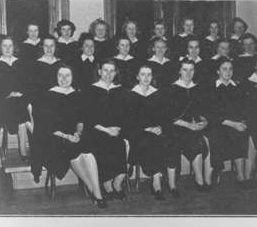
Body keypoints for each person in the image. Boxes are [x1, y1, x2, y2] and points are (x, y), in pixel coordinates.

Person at [38, 65, 107, 208]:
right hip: (55, 136)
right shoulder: (48, 95)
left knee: (87, 152)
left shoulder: (78, 94)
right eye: (60, 75)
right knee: (73, 149)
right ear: (55, 77)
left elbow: (81, 119)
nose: (63, 79)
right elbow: (46, 124)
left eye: (67, 75)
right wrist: (67, 136)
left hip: (75, 133)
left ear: (73, 77)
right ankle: (94, 190)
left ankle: (95, 190)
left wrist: (78, 132)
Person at [83, 59, 128, 201]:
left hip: (116, 129)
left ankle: (117, 183)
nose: (108, 74)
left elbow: (124, 114)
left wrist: (117, 128)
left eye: (112, 71)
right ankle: (107, 185)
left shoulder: (119, 90)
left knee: (122, 143)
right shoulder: (90, 90)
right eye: (105, 70)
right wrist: (107, 130)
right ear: (99, 71)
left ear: (115, 73)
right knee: (104, 144)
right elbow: (88, 117)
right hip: (97, 129)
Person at [165, 59, 211, 197]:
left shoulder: (197, 88)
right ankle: (172, 185)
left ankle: (199, 180)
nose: (188, 73)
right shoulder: (171, 88)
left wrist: (204, 121)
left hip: (193, 127)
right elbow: (169, 116)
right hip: (175, 126)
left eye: (191, 70)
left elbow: (202, 110)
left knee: (197, 140)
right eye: (185, 69)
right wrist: (189, 125)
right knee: (172, 142)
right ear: (179, 71)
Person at [0, 35, 31, 161]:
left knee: (26, 106)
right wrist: (8, 94)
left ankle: (28, 147)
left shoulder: (22, 63)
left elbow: (29, 83)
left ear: (14, 47)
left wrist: (22, 94)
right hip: (3, 102)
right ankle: (23, 151)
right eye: (5, 46)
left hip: (22, 99)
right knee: (22, 112)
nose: (8, 49)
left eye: (10, 45)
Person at [206, 58, 251, 188]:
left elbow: (243, 108)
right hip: (218, 123)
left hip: (235, 123)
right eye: (224, 69)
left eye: (230, 69)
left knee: (241, 133)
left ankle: (240, 176)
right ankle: (215, 171)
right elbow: (212, 113)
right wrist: (233, 124)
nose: (228, 72)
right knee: (217, 134)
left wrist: (241, 122)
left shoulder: (237, 87)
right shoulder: (212, 88)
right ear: (217, 71)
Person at [127, 65, 168, 200]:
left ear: (152, 77)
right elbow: (130, 120)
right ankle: (156, 184)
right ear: (137, 76)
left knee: (161, 140)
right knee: (149, 141)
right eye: (143, 74)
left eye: (149, 75)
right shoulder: (131, 94)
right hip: (137, 132)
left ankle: (156, 181)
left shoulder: (157, 93)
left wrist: (159, 127)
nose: (146, 78)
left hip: (154, 131)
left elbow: (162, 116)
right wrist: (148, 129)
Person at [27, 35, 64, 182]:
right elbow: (31, 90)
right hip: (41, 106)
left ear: (56, 47)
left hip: (60, 104)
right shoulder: (34, 65)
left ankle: (56, 165)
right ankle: (37, 169)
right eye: (46, 46)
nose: (49, 49)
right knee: (41, 131)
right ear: (41, 47)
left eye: (52, 46)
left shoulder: (61, 64)